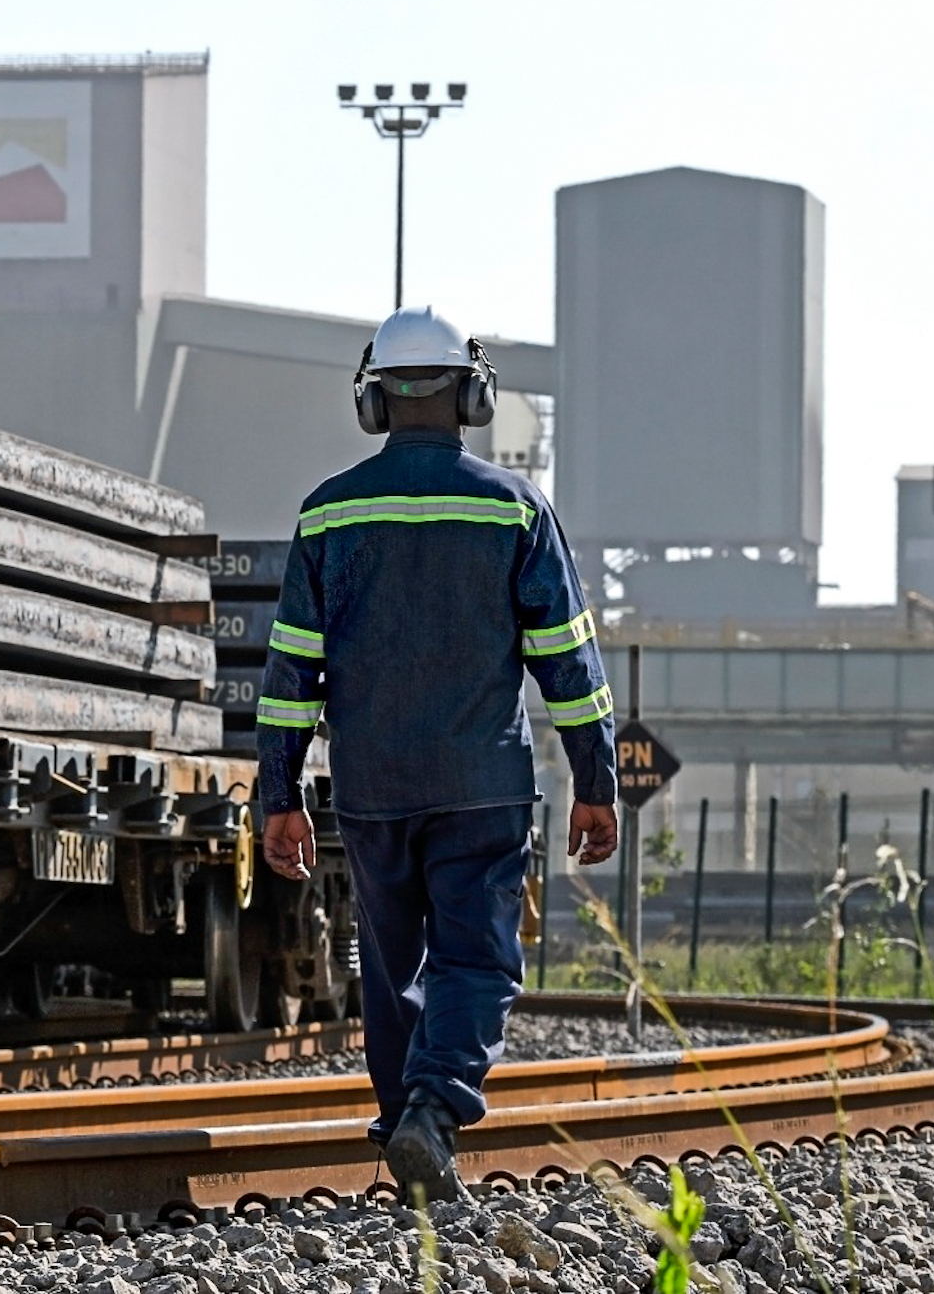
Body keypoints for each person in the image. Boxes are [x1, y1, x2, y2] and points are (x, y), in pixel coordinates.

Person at [254, 305, 620, 1204]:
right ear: (473, 392)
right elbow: (568, 662)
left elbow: (289, 671)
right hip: (481, 784)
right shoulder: (514, 508)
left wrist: (278, 792)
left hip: (372, 788)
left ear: (374, 400)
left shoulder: (328, 512)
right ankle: (434, 1108)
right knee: (476, 960)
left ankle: (405, 1125)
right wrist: (595, 778)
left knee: (390, 964)